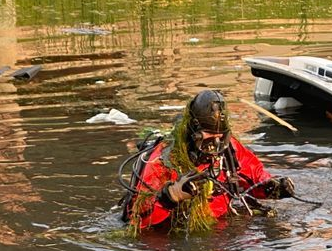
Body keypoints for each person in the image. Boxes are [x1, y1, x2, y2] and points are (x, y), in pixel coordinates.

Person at [118, 90, 295, 233]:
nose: (215, 146)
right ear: (193, 132)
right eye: (209, 139)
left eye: (221, 139)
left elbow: (254, 175)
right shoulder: (163, 159)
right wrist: (171, 196)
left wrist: (273, 187)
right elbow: (137, 218)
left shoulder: (230, 148)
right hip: (176, 237)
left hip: (220, 228)